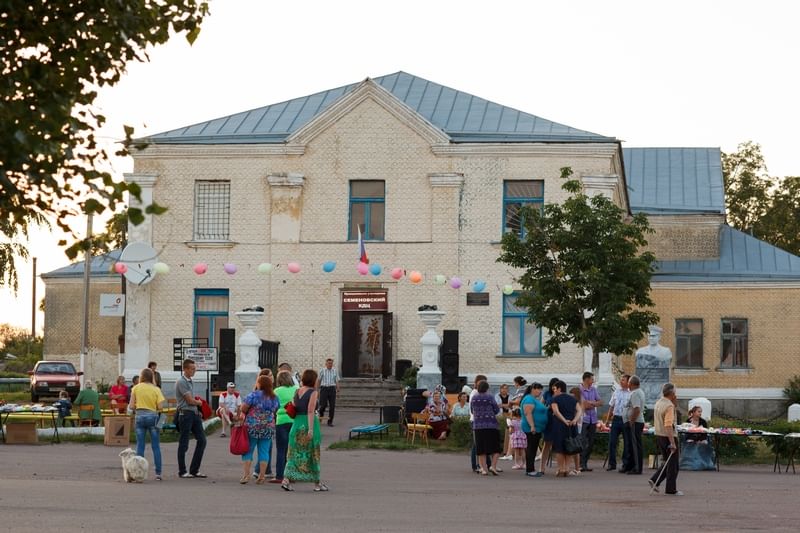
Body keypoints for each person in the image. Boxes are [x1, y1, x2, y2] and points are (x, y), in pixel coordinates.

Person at [283, 369, 328, 492]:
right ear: (313, 380)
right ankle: (317, 483)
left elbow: (294, 406)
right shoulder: (313, 392)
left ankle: (286, 480)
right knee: (313, 452)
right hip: (308, 423)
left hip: (296, 423)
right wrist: (311, 430)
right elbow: (310, 410)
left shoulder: (297, 391)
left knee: (293, 453)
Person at [238, 374, 280, 484]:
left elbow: (243, 408)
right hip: (267, 427)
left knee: (248, 450)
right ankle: (261, 476)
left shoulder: (253, 395)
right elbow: (276, 409)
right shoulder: (274, 397)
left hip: (252, 427)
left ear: (259, 384)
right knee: (264, 451)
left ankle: (246, 476)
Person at [130, 367, 166, 481]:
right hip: (153, 417)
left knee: (140, 445)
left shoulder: (135, 388)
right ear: (152, 377)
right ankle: (158, 474)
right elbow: (160, 407)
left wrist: (139, 406)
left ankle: (139, 473)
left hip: (140, 417)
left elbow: (131, 406)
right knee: (155, 446)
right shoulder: (156, 389)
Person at [176, 358, 208, 478]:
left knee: (202, 440)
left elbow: (191, 400)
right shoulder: (181, 382)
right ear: (185, 369)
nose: (194, 371)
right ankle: (182, 471)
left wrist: (197, 410)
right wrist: (199, 403)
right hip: (185, 414)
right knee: (184, 443)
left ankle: (194, 469)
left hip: (193, 413)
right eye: (192, 369)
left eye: (195, 369)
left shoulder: (189, 381)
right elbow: (189, 400)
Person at [649, 383, 682, 495]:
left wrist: (674, 403)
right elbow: (668, 424)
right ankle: (670, 489)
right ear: (672, 393)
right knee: (673, 464)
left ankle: (655, 480)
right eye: (675, 392)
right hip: (668, 436)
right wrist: (672, 442)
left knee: (668, 462)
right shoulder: (669, 406)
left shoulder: (659, 403)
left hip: (659, 435)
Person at [550, 380, 581, 478]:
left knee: (559, 448)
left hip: (559, 425)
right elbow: (579, 410)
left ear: (559, 389)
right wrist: (575, 420)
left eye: (555, 389)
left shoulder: (555, 399)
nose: (554, 391)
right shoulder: (572, 399)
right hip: (571, 425)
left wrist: (564, 420)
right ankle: (567, 468)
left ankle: (561, 468)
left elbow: (556, 411)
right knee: (569, 446)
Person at [470, 380, 502, 476]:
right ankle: (493, 466)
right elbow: (496, 410)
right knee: (496, 448)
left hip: (478, 426)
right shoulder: (490, 396)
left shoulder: (474, 398)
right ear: (487, 388)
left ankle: (484, 469)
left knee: (481, 448)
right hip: (491, 425)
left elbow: (472, 410)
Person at [273, 370, 299, 484]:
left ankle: (280, 475)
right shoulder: (296, 390)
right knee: (293, 449)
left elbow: (274, 406)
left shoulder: (277, 391)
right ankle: (292, 475)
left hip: (281, 421)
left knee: (281, 450)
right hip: (294, 420)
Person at [605, 374, 631, 471]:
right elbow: (611, 406)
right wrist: (608, 419)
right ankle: (612, 464)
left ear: (628, 382)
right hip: (616, 418)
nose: (621, 381)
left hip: (625, 419)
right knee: (612, 442)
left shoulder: (631, 393)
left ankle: (625, 464)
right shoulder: (616, 392)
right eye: (621, 380)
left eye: (623, 380)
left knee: (626, 442)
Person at [521, 382, 547, 477]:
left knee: (533, 447)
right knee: (531, 448)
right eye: (538, 389)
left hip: (537, 428)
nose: (540, 392)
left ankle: (531, 469)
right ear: (533, 389)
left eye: (541, 389)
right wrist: (532, 426)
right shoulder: (528, 399)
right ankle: (530, 469)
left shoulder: (533, 399)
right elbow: (528, 413)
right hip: (531, 428)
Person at [679, 405, 716, 471]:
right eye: (698, 411)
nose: (700, 413)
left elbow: (705, 432)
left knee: (704, 443)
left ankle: (704, 463)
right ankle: (690, 463)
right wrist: (693, 439)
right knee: (690, 442)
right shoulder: (688, 421)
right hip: (691, 438)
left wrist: (701, 440)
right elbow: (686, 432)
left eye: (701, 412)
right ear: (693, 412)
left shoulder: (703, 421)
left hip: (701, 439)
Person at [579, 371, 602, 472]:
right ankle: (581, 464)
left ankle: (585, 463)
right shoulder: (579, 390)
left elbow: (601, 402)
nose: (593, 381)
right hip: (583, 419)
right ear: (587, 379)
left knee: (591, 442)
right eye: (592, 379)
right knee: (583, 442)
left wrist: (591, 403)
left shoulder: (594, 389)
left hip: (593, 419)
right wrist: (594, 403)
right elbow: (584, 405)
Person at [622, 375, 646, 475]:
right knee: (632, 445)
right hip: (635, 422)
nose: (628, 384)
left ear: (631, 384)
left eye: (629, 383)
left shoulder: (635, 393)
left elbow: (636, 409)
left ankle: (637, 467)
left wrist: (631, 421)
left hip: (635, 422)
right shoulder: (638, 392)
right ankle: (631, 466)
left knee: (635, 446)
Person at [539, 377, 560, 475]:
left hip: (557, 420)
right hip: (548, 420)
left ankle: (560, 467)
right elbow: (540, 405)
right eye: (553, 386)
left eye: (556, 386)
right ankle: (542, 467)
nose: (554, 388)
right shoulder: (547, 394)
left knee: (559, 445)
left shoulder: (560, 395)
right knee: (547, 444)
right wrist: (545, 408)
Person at [316, 358, 340, 427]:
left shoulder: (335, 371)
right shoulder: (322, 371)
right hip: (324, 388)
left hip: (332, 389)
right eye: (329, 363)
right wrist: (317, 390)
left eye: (331, 363)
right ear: (326, 364)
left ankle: (330, 421)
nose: (330, 364)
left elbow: (337, 380)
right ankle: (321, 413)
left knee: (332, 406)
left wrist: (338, 389)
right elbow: (319, 380)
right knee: (323, 405)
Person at [569, 387, 585, 476]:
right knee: (575, 448)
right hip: (577, 426)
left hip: (576, 426)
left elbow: (577, 415)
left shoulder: (577, 404)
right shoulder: (580, 403)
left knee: (575, 448)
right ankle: (577, 467)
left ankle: (577, 468)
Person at [495, 383, 513, 460]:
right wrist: (506, 405)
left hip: (509, 414)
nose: (504, 390)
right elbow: (497, 405)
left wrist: (503, 405)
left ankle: (507, 451)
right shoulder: (497, 396)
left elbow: (511, 406)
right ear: (500, 389)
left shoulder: (511, 396)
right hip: (500, 414)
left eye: (506, 388)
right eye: (503, 388)